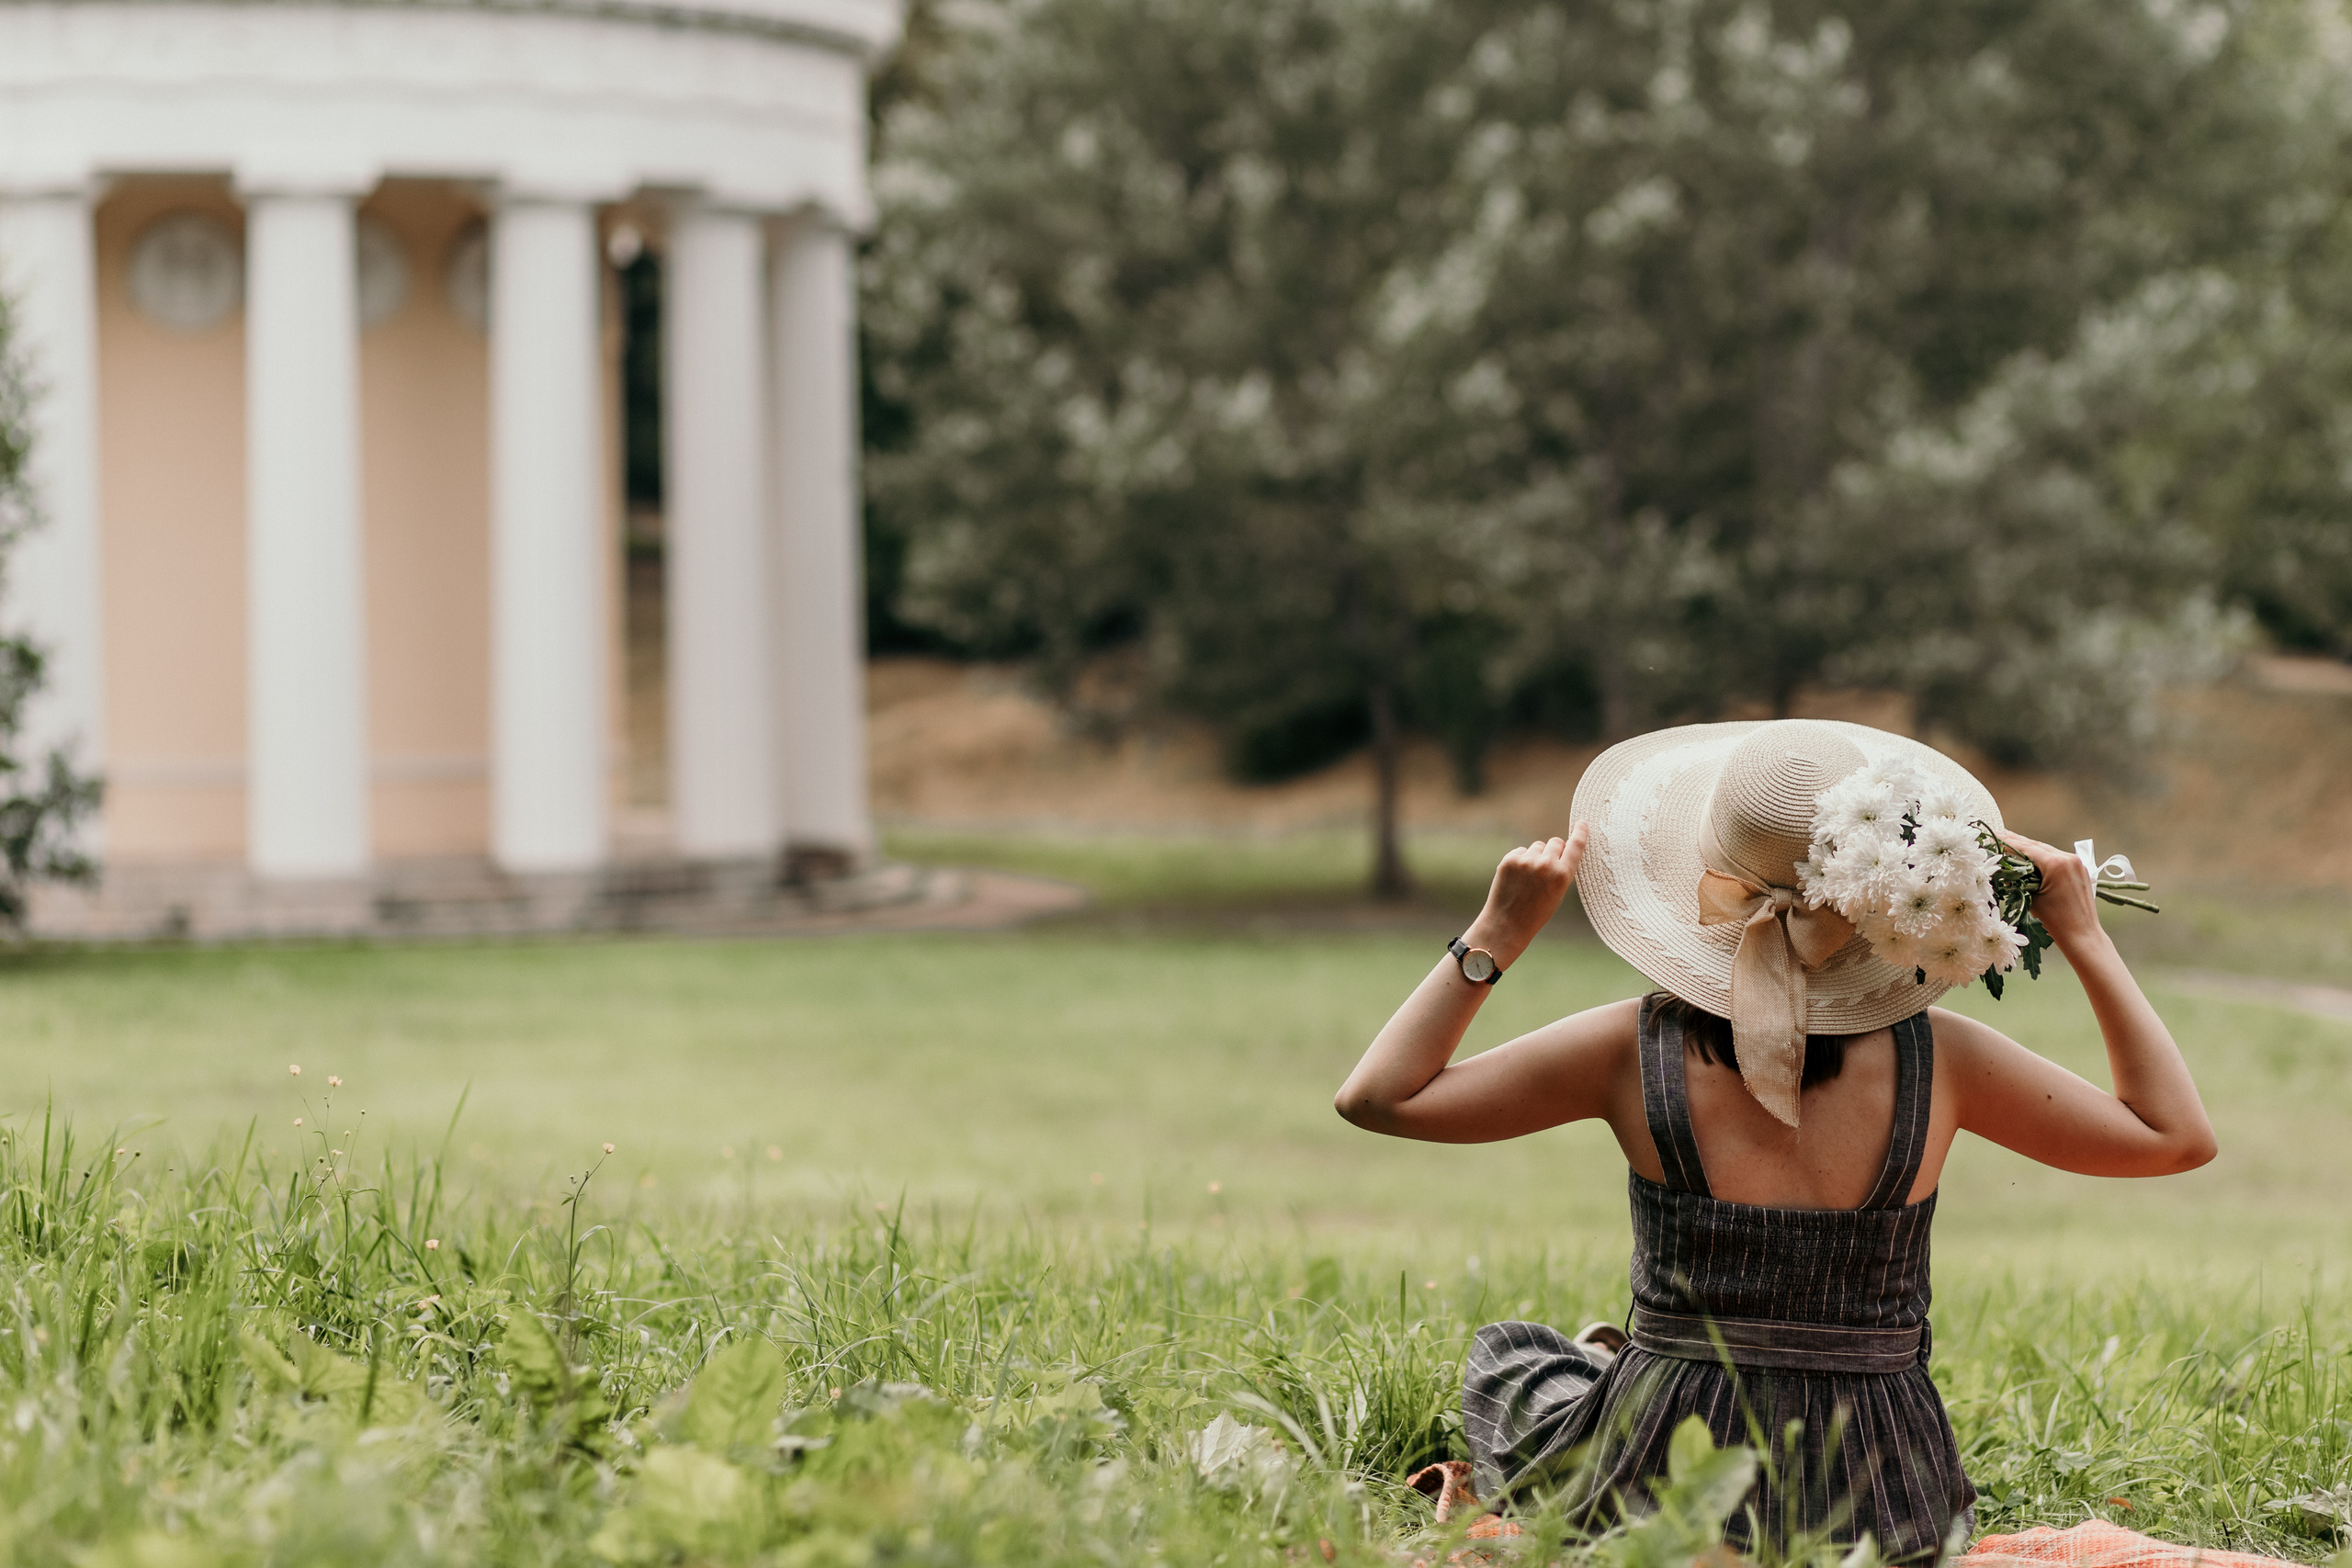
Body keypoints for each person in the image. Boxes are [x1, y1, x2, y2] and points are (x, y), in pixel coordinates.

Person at [1334, 720, 2215, 1562]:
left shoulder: (1626, 1050)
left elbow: (1378, 1097)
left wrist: (1496, 933)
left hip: (1665, 1481)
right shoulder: (1944, 1061)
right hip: (1882, 1497)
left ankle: (1617, 1362)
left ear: (1708, 877)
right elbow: (2174, 1135)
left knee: (1516, 1360)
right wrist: (2085, 934)